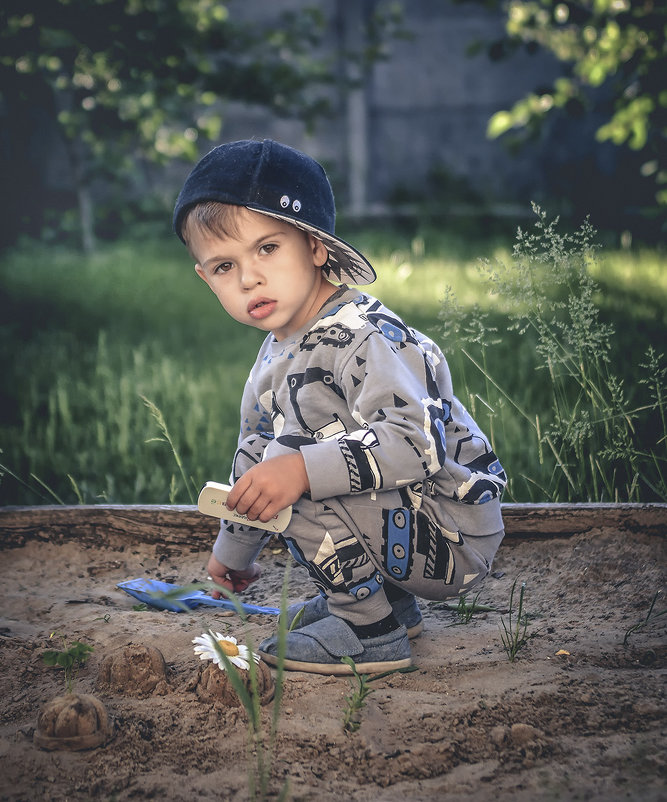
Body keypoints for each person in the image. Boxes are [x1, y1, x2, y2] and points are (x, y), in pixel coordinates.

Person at [173, 139, 506, 675]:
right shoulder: (275, 354)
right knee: (279, 460)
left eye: (267, 249)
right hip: (409, 524)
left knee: (293, 464)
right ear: (204, 277)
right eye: (222, 266)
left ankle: (369, 630)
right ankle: (392, 608)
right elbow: (252, 461)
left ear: (316, 247)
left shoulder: (365, 336)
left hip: (453, 532)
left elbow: (416, 444)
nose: (247, 278)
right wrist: (232, 554)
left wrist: (301, 469)